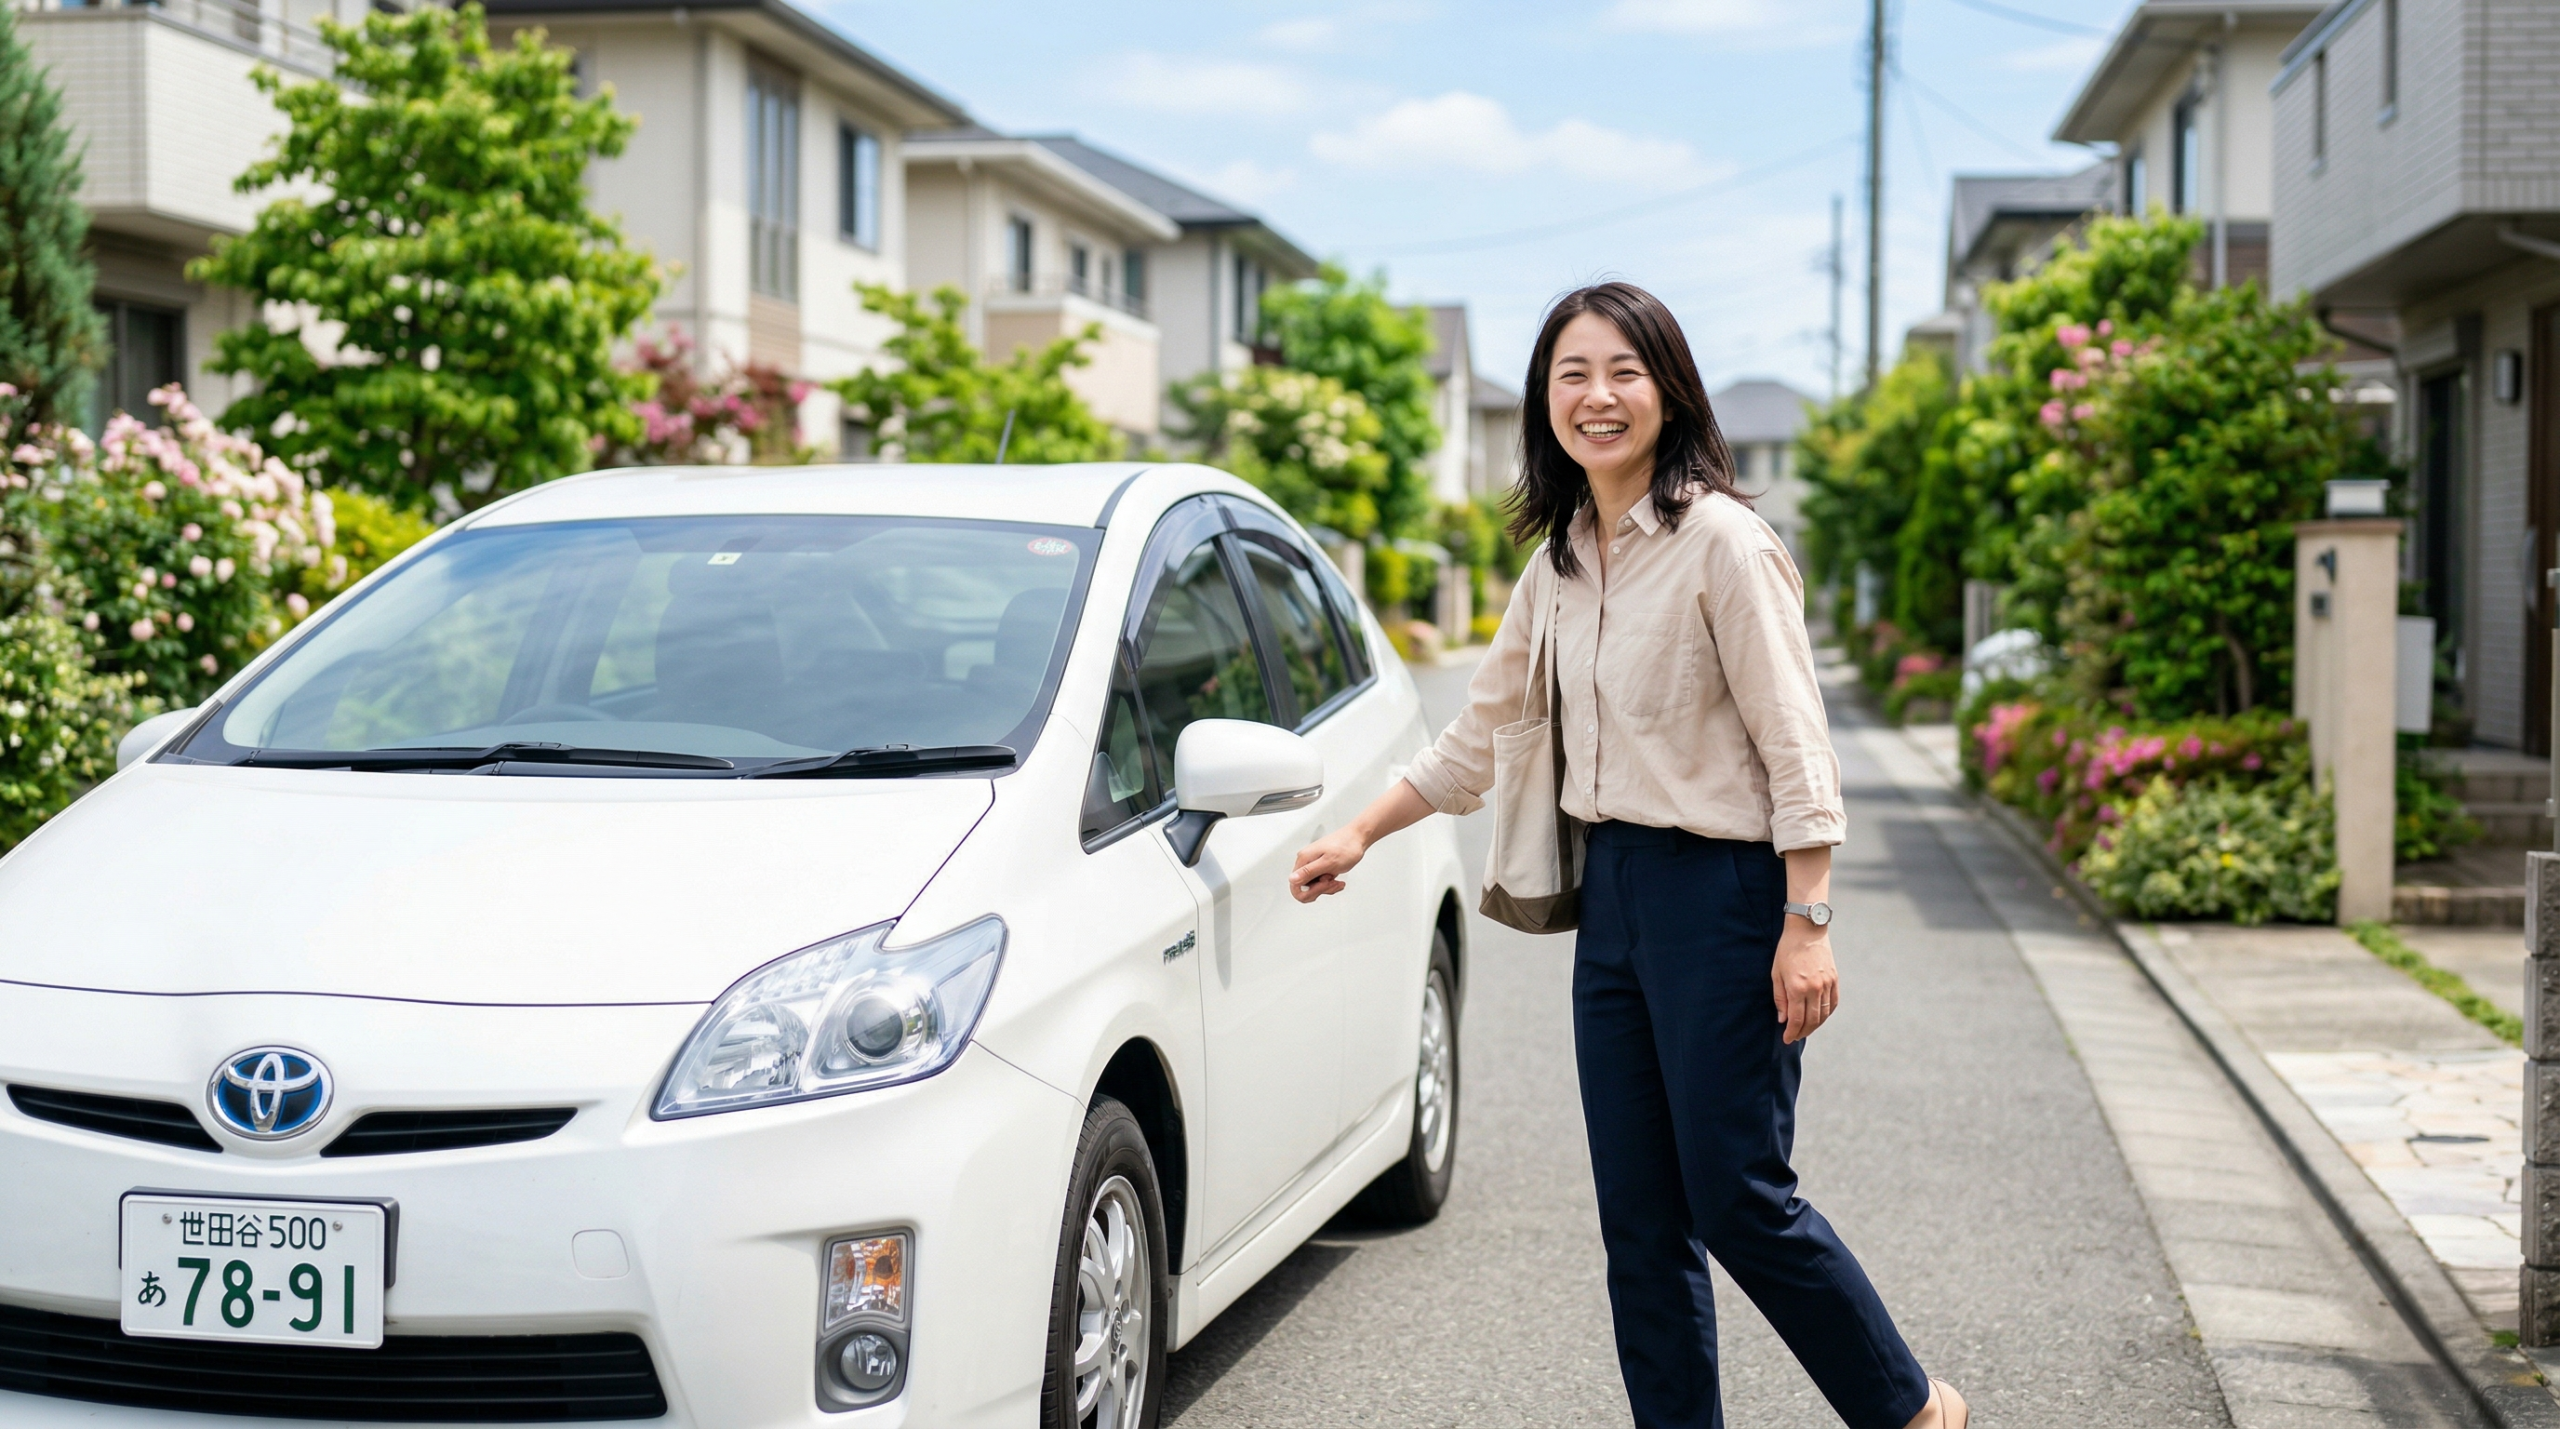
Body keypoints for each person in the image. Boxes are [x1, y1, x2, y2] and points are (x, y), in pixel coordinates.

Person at [1288, 281, 1966, 1429]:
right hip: (1613, 902)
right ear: (1544, 402)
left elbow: (1795, 743)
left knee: (1737, 1193)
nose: (1596, 397)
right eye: (1572, 375)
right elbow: (1477, 737)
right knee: (1640, 1220)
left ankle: (1909, 1410)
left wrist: (1807, 921)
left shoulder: (1723, 544)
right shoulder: (1556, 563)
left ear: (1668, 391)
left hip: (1726, 894)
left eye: (1622, 372)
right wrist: (1359, 828)